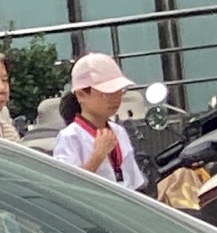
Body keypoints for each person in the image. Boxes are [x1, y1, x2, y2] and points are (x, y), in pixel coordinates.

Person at [51, 53, 146, 190]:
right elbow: (67, 188)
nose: (116, 98)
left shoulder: (119, 131)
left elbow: (135, 184)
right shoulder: (70, 137)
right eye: (107, 93)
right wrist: (97, 156)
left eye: (120, 91)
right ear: (81, 95)